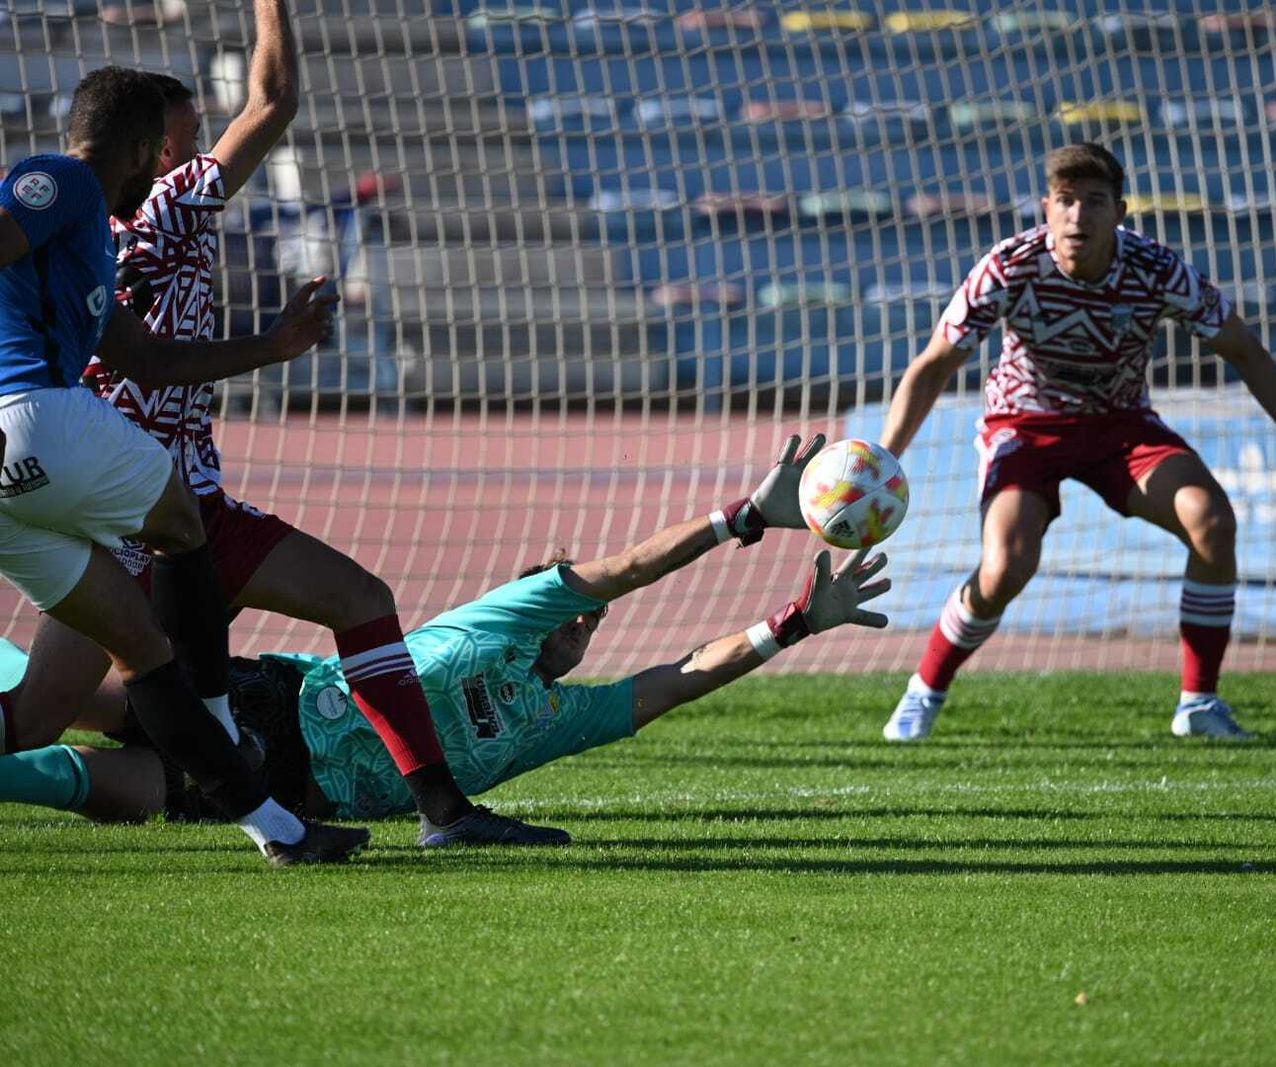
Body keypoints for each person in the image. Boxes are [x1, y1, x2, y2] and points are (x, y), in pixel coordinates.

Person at [13, 1, 547, 847]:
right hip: (140, 509)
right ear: (148, 150)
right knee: (104, 701)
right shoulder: (172, 207)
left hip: (146, 501)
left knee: (355, 601)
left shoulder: (73, 242)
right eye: (184, 135)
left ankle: (432, 810)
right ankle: (294, 787)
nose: (193, 152)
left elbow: (127, 356)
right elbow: (274, 101)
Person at [0, 436, 892, 829]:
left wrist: (797, 622)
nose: (586, 621)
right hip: (278, 697)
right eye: (576, 607)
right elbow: (626, 567)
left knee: (90, 788)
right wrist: (736, 518)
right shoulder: (504, 622)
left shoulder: (560, 721)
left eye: (595, 624)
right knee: (85, 704)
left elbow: (682, 676)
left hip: (297, 790)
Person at [878, 143, 1276, 743]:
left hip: (1120, 426)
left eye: (1093, 201)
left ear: (1120, 212)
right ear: (1046, 209)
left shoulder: (1157, 270)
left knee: (1211, 521)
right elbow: (935, 363)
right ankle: (924, 691)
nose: (1077, 215)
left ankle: (1199, 704)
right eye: (1065, 201)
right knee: (1006, 565)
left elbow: (1244, 349)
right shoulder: (1009, 267)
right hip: (1025, 428)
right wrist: (886, 456)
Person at [0, 65, 366, 864]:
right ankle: (219, 711)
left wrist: (270, 348)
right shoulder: (57, 179)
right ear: (138, 148)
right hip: (31, 417)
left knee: (84, 686)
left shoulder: (88, 244)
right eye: (161, 151)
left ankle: (278, 831)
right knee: (179, 509)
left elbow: (149, 360)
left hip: (10, 477)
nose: (168, 165)